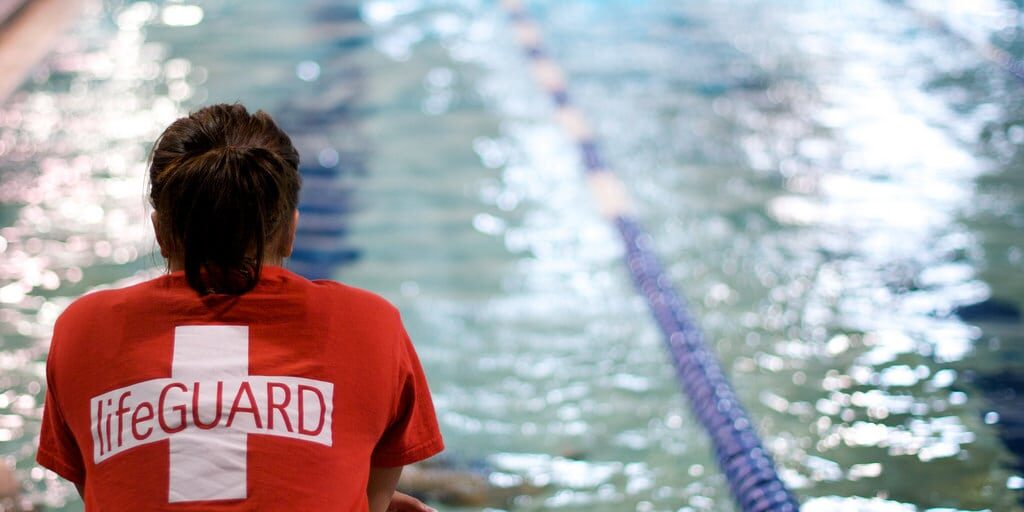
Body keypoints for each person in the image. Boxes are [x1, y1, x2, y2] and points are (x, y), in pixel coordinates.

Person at [35, 104, 444, 511]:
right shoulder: (370, 326)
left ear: (160, 233)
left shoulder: (83, 332)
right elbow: (371, 503)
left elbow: (105, 490)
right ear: (289, 232)